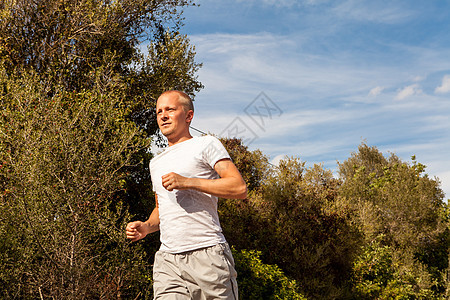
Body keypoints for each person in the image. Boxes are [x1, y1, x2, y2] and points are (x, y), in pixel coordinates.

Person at [126, 90, 247, 299]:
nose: (163, 116)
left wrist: (188, 182)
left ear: (189, 116)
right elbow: (160, 208)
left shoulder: (205, 144)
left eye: (170, 110)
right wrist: (146, 226)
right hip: (168, 260)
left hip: (207, 255)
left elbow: (238, 187)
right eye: (159, 112)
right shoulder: (155, 163)